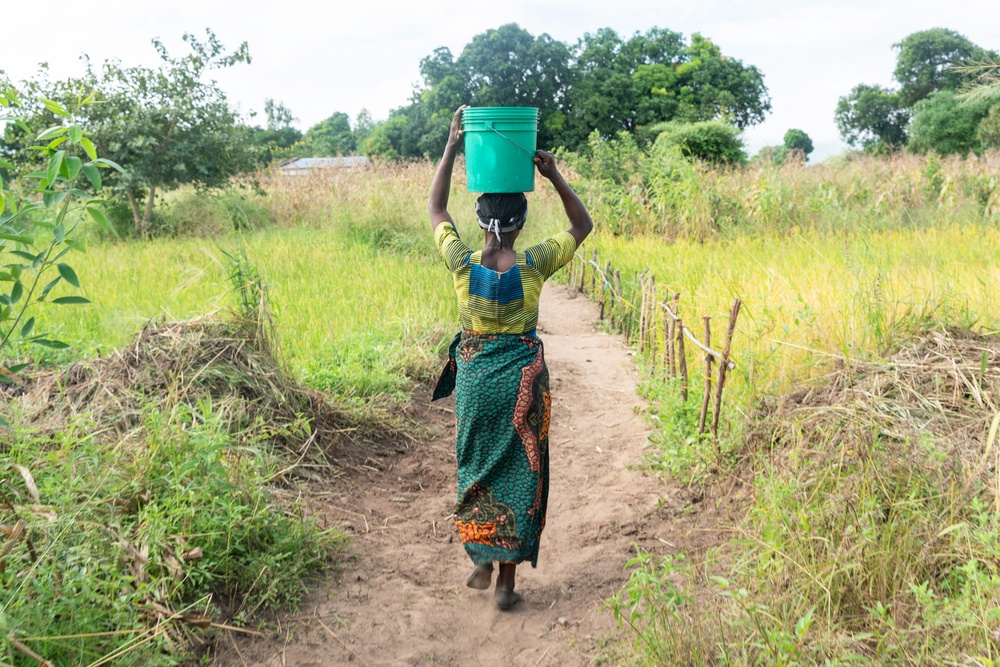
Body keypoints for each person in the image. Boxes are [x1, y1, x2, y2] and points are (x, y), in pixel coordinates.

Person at [428, 105, 593, 611]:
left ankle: (480, 549)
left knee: (475, 463)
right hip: (522, 378)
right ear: (521, 223)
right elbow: (582, 225)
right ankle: (506, 585)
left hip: (476, 378)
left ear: (479, 220)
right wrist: (554, 174)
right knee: (524, 470)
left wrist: (453, 147)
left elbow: (436, 211)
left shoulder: (462, 262)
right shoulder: (535, 263)